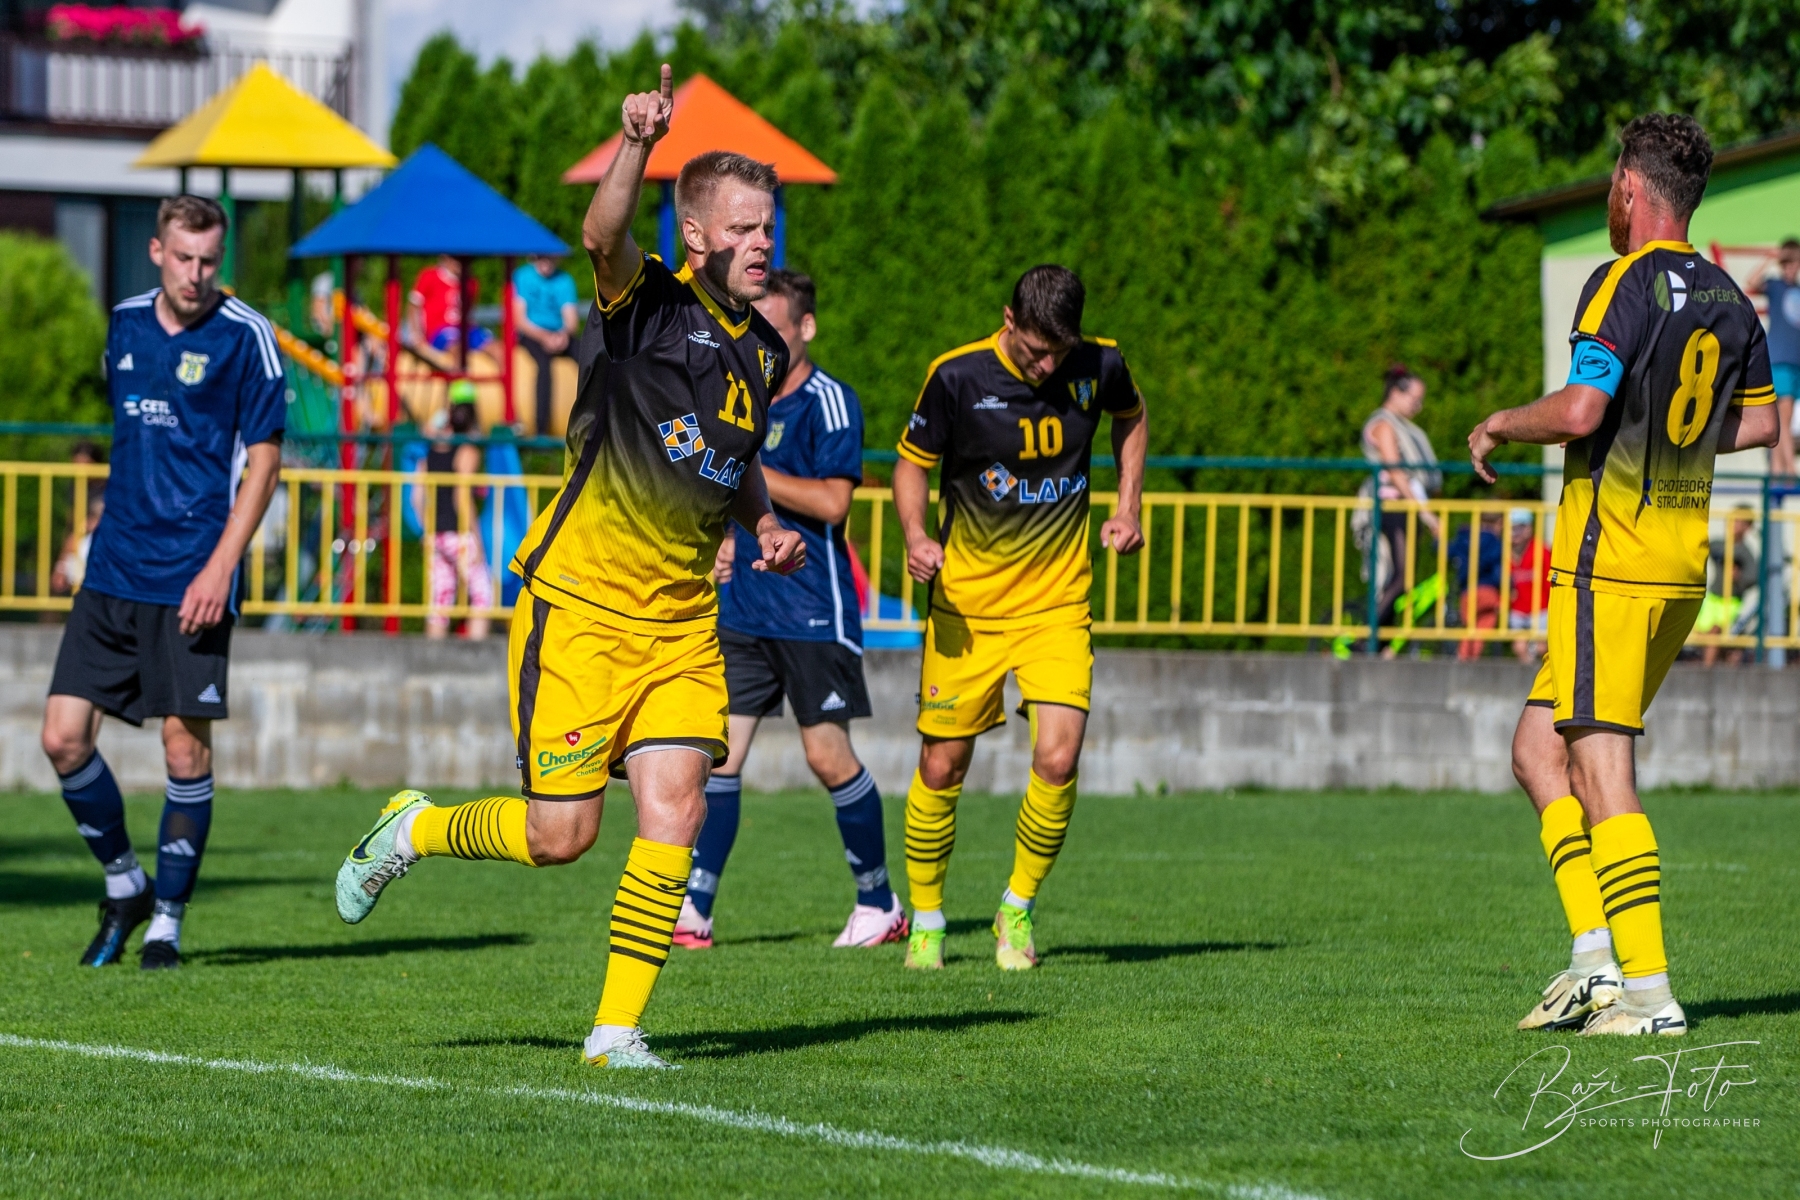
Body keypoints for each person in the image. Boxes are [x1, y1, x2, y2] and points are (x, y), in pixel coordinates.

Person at [334, 66, 803, 1070]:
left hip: (682, 624)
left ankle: (614, 1033)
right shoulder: (648, 307)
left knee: (678, 805)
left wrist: (762, 520)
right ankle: (413, 831)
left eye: (769, 227)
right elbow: (600, 235)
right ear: (696, 236)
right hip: (582, 609)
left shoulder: (764, 354)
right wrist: (635, 142)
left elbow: (733, 458)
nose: (763, 243)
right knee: (562, 837)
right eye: (744, 228)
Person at [1469, 113, 1779, 1037]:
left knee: (1602, 766)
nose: (1611, 195)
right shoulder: (1731, 297)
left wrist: (1497, 423)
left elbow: (1580, 410)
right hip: (1679, 567)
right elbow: (1765, 424)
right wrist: (1674, 431)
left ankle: (1647, 993)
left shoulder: (1620, 281)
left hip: (1611, 564)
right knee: (1538, 751)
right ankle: (1592, 963)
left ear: (1631, 189)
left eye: (1613, 182)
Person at [43, 194, 284, 970]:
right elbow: (130, 445)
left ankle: (167, 925)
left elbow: (264, 466)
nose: (196, 274)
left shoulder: (247, 336)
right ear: (156, 252)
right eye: (183, 258)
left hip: (192, 578)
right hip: (113, 570)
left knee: (184, 753)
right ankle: (125, 885)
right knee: (62, 738)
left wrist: (220, 568)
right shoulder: (124, 323)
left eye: (209, 260)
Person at [893, 264, 1148, 971]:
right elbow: (911, 464)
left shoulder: (1101, 364)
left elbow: (1131, 416)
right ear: (1009, 321)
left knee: (1059, 757)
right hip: (967, 608)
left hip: (1057, 605)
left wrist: (1129, 506)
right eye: (1036, 352)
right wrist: (915, 536)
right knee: (941, 766)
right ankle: (927, 919)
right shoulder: (956, 377)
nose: (1047, 367)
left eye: (1058, 354)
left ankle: (1017, 909)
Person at [673, 269, 904, 952]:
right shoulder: (742, 393)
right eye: (756, 325)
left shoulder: (830, 401)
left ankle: (879, 902)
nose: (764, 339)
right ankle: (696, 910)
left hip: (812, 612)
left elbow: (834, 502)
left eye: (775, 326)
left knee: (826, 757)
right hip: (744, 610)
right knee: (718, 759)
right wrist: (723, 537)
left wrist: (750, 471)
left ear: (806, 328)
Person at [1357, 365, 1442, 643]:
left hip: (1402, 507)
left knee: (1401, 579)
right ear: (1395, 393)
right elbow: (1396, 471)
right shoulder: (1384, 425)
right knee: (1400, 578)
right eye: (1414, 399)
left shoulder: (1402, 426)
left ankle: (1379, 641)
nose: (1418, 406)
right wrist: (1425, 513)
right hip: (1391, 507)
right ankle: (1367, 639)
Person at [416, 390, 492, 640]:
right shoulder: (467, 450)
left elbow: (416, 497)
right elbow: (462, 497)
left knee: (440, 599)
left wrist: (426, 528)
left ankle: (432, 654)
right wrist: (477, 538)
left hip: (435, 534)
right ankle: (476, 653)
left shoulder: (432, 449)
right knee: (482, 594)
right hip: (458, 534)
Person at [1747, 238, 1800, 477]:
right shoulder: (1776, 286)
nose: (1791, 268)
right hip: (1780, 361)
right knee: (1784, 419)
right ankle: (1790, 471)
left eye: (1794, 263)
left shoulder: (1796, 289)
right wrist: (1770, 258)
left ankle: (1777, 471)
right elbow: (1751, 281)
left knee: (1781, 421)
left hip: (1794, 364)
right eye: (1787, 263)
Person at [513, 254, 582, 436]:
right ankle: (541, 430)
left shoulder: (565, 280)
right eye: (541, 257)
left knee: (590, 358)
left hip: (558, 335)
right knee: (543, 367)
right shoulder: (522, 276)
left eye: (550, 258)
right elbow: (520, 320)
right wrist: (544, 337)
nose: (546, 262)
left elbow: (571, 320)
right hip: (532, 334)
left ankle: (604, 417)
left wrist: (562, 335)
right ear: (533, 258)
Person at [406, 255, 492, 355]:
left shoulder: (471, 282)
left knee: (496, 348)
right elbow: (413, 306)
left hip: (465, 329)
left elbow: (469, 311)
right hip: (439, 331)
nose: (461, 263)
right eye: (457, 258)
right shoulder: (429, 275)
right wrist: (416, 335)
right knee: (456, 348)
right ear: (446, 258)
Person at [1447, 511, 1503, 660]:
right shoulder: (1494, 541)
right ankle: (1467, 659)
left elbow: (1449, 552)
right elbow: (1498, 569)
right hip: (1488, 589)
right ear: (1499, 523)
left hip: (1467, 591)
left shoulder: (1464, 537)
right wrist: (1508, 587)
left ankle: (1462, 657)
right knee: (1483, 626)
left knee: (1469, 628)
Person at [1507, 508, 1551, 661]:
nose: (1514, 532)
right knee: (1519, 647)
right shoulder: (1504, 552)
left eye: (1519, 527)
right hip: (1518, 609)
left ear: (1529, 529)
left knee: (1541, 648)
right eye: (1511, 528)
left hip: (1541, 608)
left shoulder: (1541, 551)